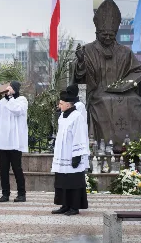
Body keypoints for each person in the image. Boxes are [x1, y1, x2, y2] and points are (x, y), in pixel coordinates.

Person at [72, 0, 141, 152]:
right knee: (102, 102)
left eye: (111, 34)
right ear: (97, 32)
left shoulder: (125, 52)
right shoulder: (88, 50)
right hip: (98, 92)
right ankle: (104, 147)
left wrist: (127, 84)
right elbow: (81, 78)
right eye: (104, 34)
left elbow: (137, 71)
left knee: (136, 102)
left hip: (125, 92)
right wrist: (81, 62)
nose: (108, 37)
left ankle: (137, 147)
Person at [51, 87, 89, 216]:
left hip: (72, 153)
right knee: (62, 179)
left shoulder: (77, 116)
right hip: (62, 153)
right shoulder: (62, 115)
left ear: (68, 104)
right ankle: (64, 204)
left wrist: (77, 155)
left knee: (73, 180)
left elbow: (80, 135)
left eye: (61, 103)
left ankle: (74, 206)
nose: (59, 105)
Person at [0, 81, 28, 203]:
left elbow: (17, 110)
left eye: (11, 88)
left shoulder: (22, 100)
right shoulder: (2, 102)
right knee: (3, 169)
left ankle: (21, 193)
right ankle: (5, 193)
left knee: (17, 168)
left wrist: (10, 97)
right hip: (3, 141)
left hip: (15, 141)